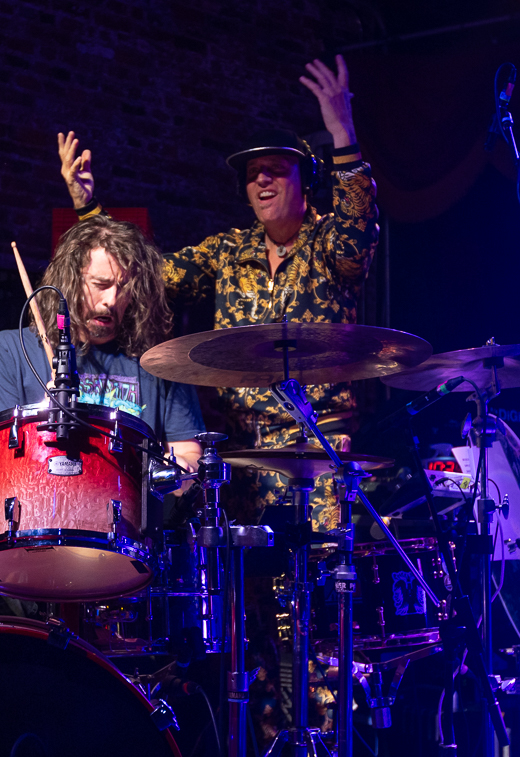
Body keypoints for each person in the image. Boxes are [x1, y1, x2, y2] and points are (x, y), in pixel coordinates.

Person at [56, 55, 378, 530]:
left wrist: (343, 134)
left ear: (306, 181)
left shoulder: (329, 243)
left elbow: (359, 231)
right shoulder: (228, 250)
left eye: (274, 169)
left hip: (319, 447)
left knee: (321, 579)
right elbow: (144, 276)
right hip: (239, 449)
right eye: (252, 174)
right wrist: (90, 212)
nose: (262, 179)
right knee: (240, 584)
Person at [0, 215, 204, 471]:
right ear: (70, 281)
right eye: (101, 285)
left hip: (130, 505)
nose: (111, 300)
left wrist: (181, 467)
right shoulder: (10, 350)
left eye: (124, 287)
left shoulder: (160, 362)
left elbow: (188, 453)